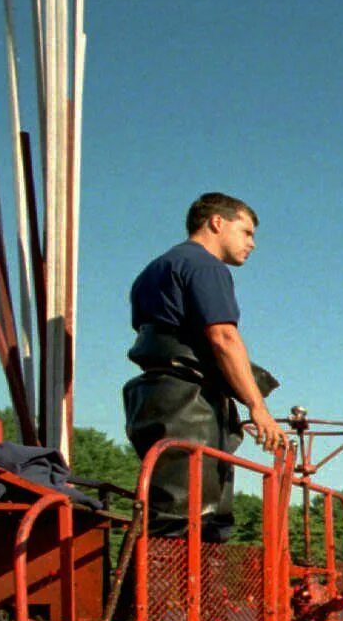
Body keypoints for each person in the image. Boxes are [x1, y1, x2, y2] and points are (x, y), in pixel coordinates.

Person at [122, 192, 288, 541]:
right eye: (246, 232)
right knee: (196, 517)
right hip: (189, 403)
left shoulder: (153, 270)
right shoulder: (205, 266)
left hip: (152, 397)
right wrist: (258, 407)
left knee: (165, 509)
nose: (252, 244)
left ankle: (145, 589)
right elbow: (223, 337)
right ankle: (181, 594)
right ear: (216, 222)